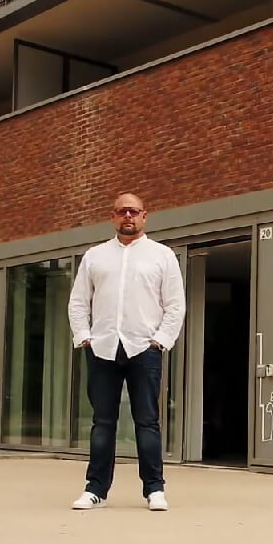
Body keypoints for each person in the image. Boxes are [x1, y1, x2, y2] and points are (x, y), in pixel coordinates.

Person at [67, 193, 186, 511]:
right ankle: (95, 489)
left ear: (145, 216)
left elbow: (175, 305)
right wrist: (84, 337)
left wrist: (161, 340)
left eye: (134, 211)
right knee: (102, 422)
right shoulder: (95, 256)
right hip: (103, 347)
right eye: (122, 211)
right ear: (113, 216)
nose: (128, 216)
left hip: (144, 348)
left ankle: (154, 489)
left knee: (147, 421)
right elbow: (79, 301)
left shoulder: (162, 256)